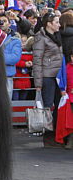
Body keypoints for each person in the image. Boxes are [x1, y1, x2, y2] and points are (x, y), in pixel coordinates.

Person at [32, 12, 63, 147]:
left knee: (58, 105)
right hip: (47, 76)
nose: (59, 24)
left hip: (57, 76)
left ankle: (56, 135)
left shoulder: (57, 36)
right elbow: (37, 60)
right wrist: (38, 83)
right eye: (56, 22)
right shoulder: (40, 37)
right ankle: (48, 137)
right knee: (48, 107)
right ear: (49, 24)